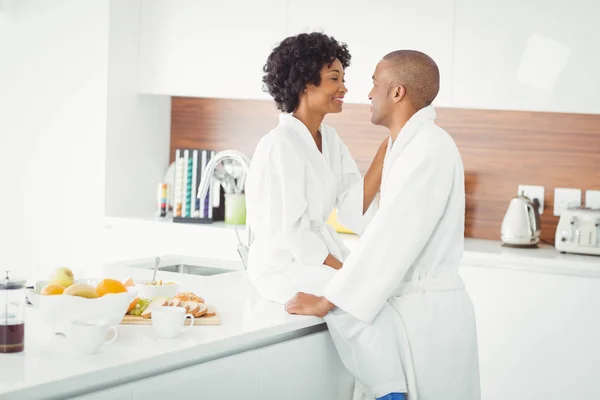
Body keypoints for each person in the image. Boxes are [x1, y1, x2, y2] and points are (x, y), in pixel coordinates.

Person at [285, 50, 481, 400]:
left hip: (427, 320)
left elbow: (390, 238)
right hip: (415, 312)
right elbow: (368, 221)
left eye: (375, 83)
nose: (369, 93)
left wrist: (329, 300)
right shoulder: (406, 147)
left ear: (397, 93)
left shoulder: (429, 149)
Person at [244, 32, 388, 305]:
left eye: (343, 79)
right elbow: (294, 234)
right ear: (304, 84)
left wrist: (385, 152)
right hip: (283, 265)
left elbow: (353, 206)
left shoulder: (330, 140)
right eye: (334, 79)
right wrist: (345, 271)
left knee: (379, 289)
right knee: (360, 295)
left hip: (317, 256)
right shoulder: (279, 145)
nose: (344, 88)